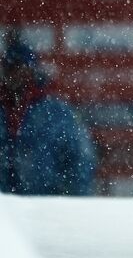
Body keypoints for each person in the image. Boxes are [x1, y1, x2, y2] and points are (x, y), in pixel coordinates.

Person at [0, 33, 97, 195]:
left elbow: (80, 159)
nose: (15, 74)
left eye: (20, 67)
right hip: (5, 211)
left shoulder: (56, 112)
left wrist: (72, 204)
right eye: (10, 68)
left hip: (46, 206)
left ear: (32, 70)